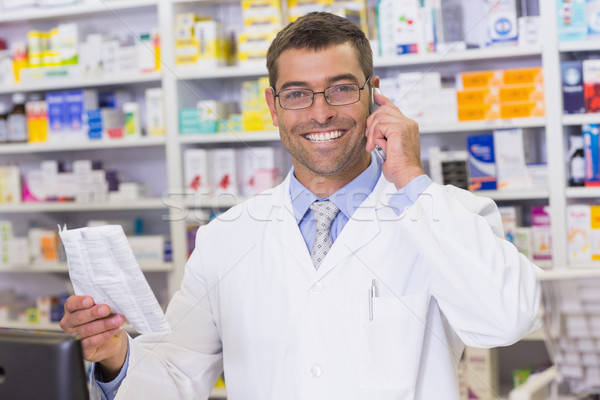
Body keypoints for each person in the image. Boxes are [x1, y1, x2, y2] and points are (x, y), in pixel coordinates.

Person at [60, 12, 542, 400]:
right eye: (297, 94)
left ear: (373, 95)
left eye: (341, 88)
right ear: (273, 107)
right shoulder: (225, 238)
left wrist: (410, 180)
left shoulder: (449, 215)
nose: (320, 112)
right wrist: (115, 354)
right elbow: (176, 378)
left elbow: (506, 320)